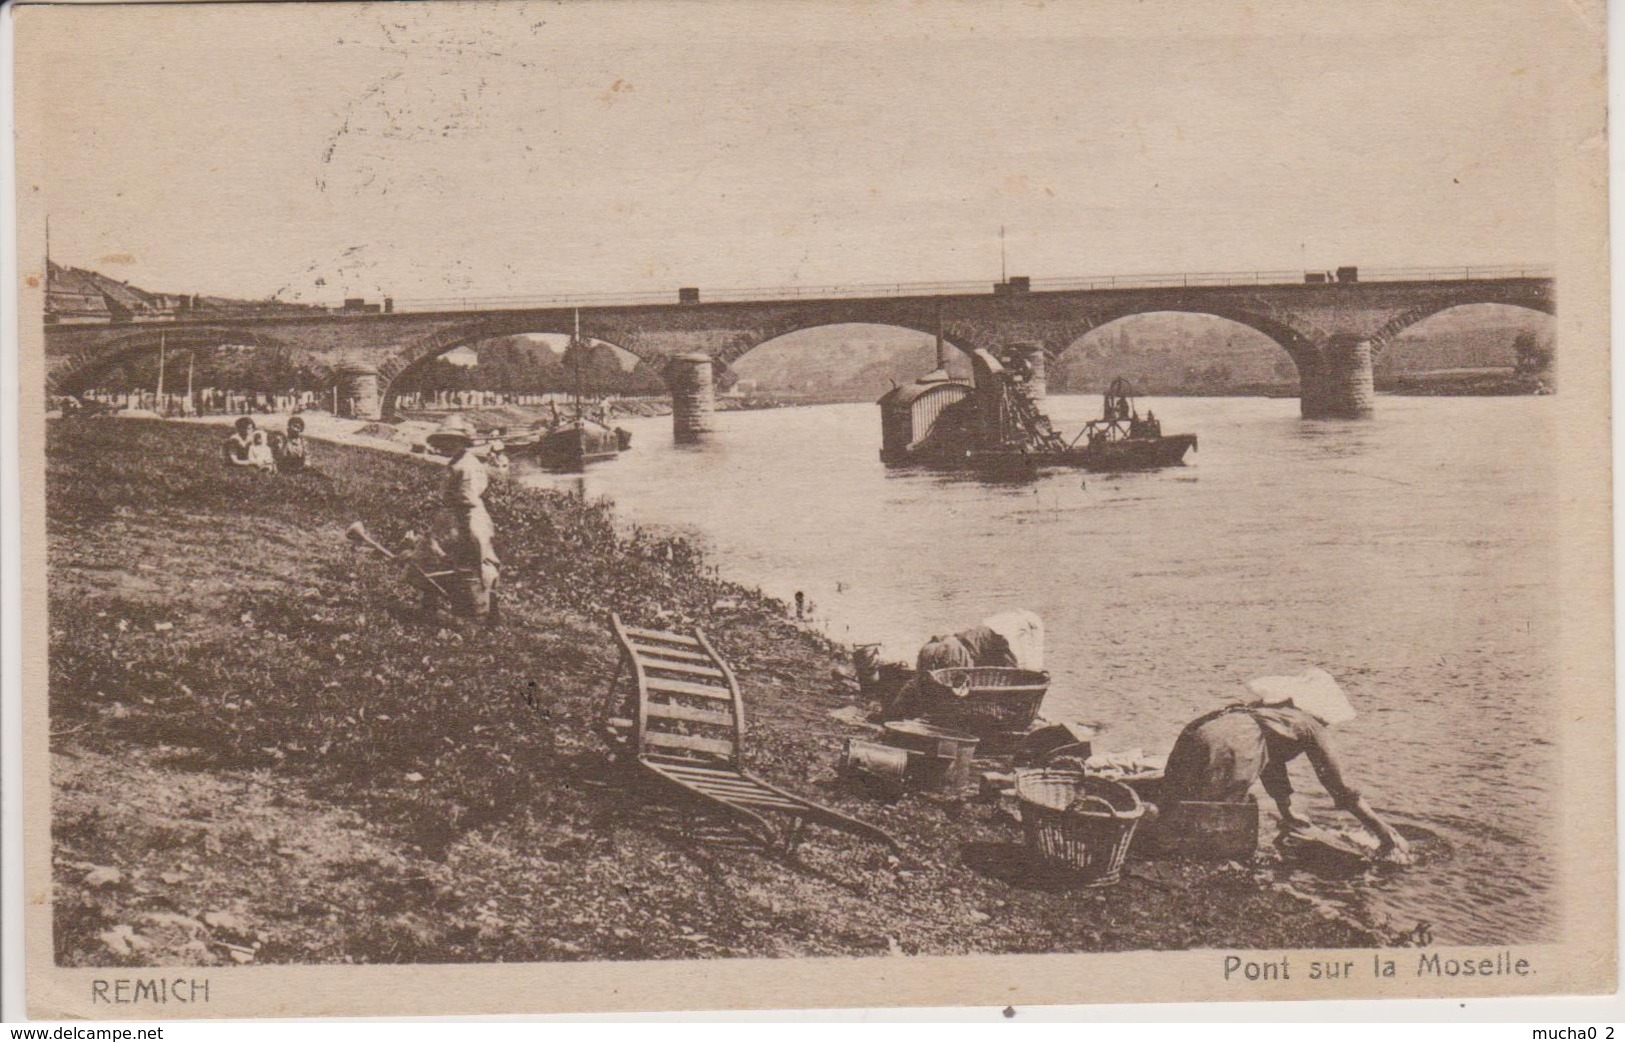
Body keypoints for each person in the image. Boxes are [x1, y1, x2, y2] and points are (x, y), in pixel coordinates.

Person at [1160, 668, 1410, 860]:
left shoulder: (1265, 714)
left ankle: (1163, 835)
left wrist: (1286, 810)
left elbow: (1271, 765)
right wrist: (1382, 831)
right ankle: (1197, 853)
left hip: (1199, 732)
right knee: (1213, 814)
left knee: (1184, 798)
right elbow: (1340, 787)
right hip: (1229, 746)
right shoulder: (1309, 726)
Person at [426, 415, 500, 621]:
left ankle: (484, 611)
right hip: (455, 517)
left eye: (449, 441)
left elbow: (468, 499)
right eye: (443, 441)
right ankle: (446, 607)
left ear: (460, 442)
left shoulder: (466, 466)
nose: (444, 445)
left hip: (468, 516)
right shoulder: (457, 462)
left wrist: (466, 530)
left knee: (478, 560)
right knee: (442, 560)